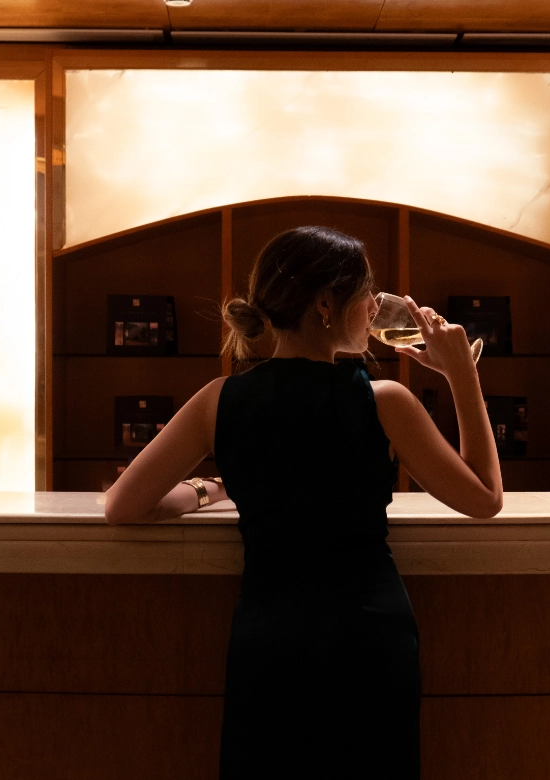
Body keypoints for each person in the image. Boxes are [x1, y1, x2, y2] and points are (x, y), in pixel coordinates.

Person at [105, 225, 502, 779]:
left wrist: (205, 489)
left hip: (270, 641)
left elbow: (122, 505)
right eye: (367, 295)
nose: (372, 309)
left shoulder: (219, 400)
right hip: (369, 640)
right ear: (325, 304)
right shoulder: (384, 400)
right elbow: (485, 497)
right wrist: (462, 373)